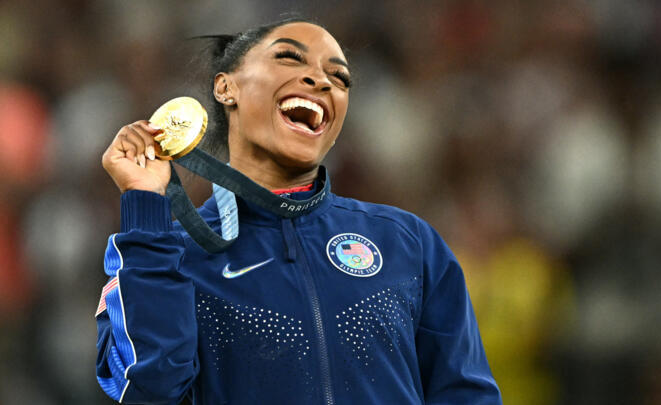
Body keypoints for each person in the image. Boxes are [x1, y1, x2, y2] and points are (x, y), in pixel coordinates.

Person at [95, 18, 501, 405]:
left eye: (339, 78)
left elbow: (466, 394)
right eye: (290, 58)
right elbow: (148, 388)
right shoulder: (168, 255)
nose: (321, 80)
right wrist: (146, 203)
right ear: (225, 87)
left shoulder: (407, 243)